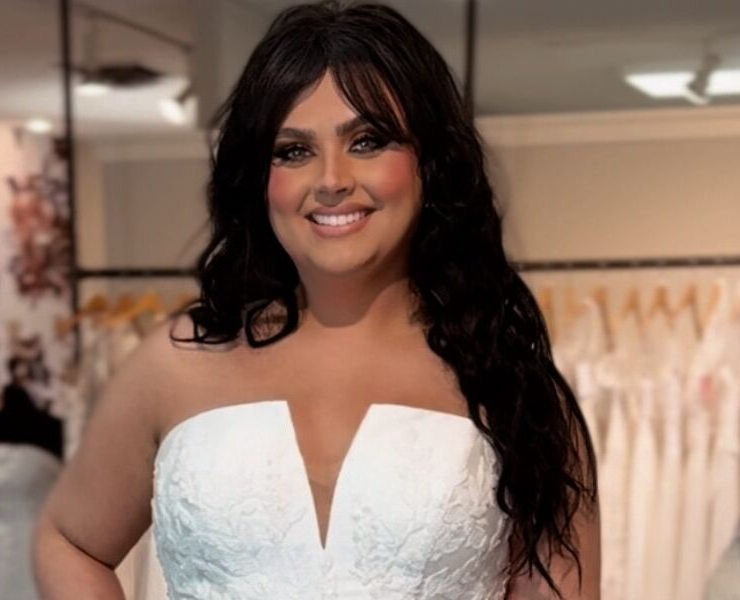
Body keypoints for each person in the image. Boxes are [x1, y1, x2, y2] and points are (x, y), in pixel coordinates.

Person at [32, 1, 600, 598]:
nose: (330, 179)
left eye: (368, 140)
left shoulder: (514, 389)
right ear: (259, 179)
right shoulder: (176, 365)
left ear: (430, 163)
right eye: (293, 151)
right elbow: (69, 541)